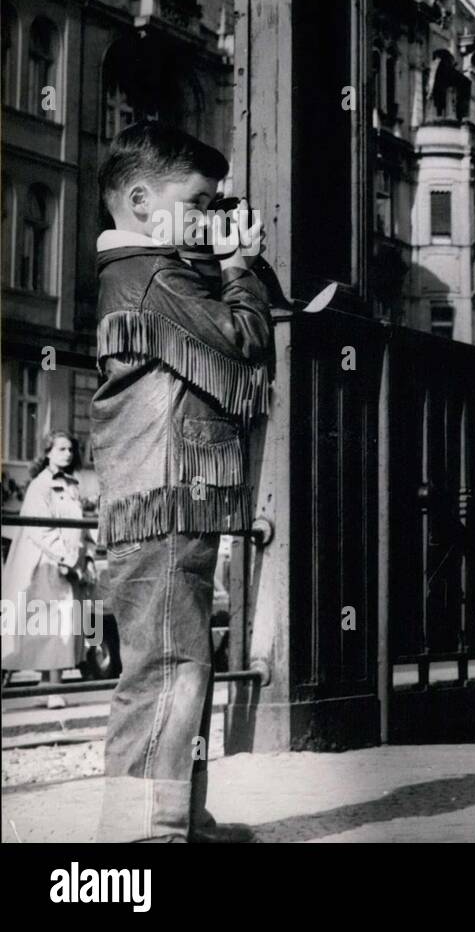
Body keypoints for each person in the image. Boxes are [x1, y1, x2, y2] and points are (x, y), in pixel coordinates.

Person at [93, 122, 271, 842]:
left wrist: (226, 259)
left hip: (168, 498)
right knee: (167, 666)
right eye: (199, 202)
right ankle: (144, 835)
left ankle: (180, 818)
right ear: (141, 200)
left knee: (183, 661)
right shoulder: (152, 275)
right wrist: (241, 268)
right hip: (161, 501)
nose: (211, 217)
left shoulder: (149, 271)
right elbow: (246, 341)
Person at [1, 431, 91, 708]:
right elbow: (41, 530)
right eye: (61, 448)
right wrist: (66, 559)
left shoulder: (73, 486)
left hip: (66, 565)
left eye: (71, 449)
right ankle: (49, 686)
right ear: (48, 453)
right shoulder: (40, 487)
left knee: (64, 626)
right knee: (48, 626)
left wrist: (83, 559)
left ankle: (54, 685)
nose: (68, 453)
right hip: (45, 565)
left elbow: (81, 527)